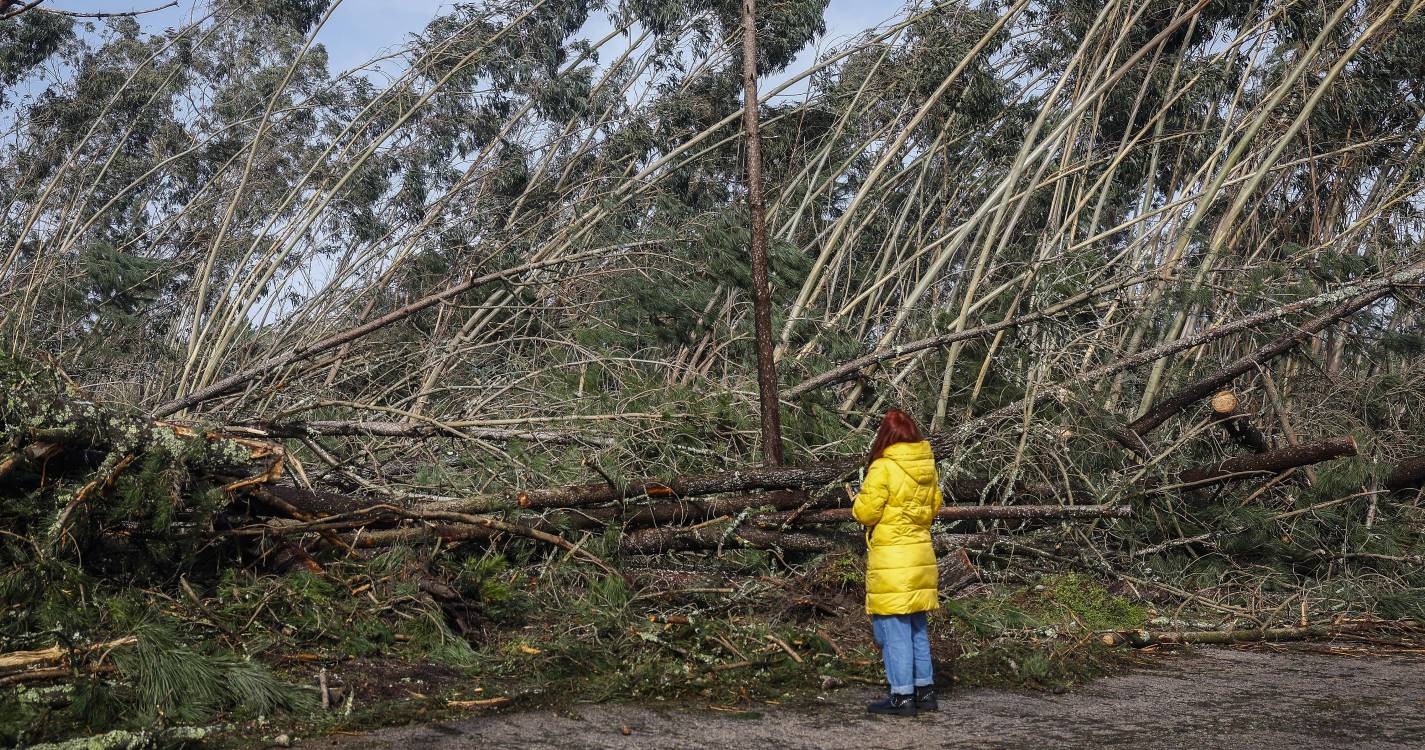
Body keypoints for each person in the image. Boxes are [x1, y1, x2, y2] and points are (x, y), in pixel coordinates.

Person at [852, 409, 942, 716]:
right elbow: (934, 506)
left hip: (893, 557)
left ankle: (901, 696)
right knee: (917, 625)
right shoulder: (927, 466)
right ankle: (924, 690)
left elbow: (866, 513)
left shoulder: (884, 467)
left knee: (894, 628)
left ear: (885, 436)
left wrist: (857, 501)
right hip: (920, 554)